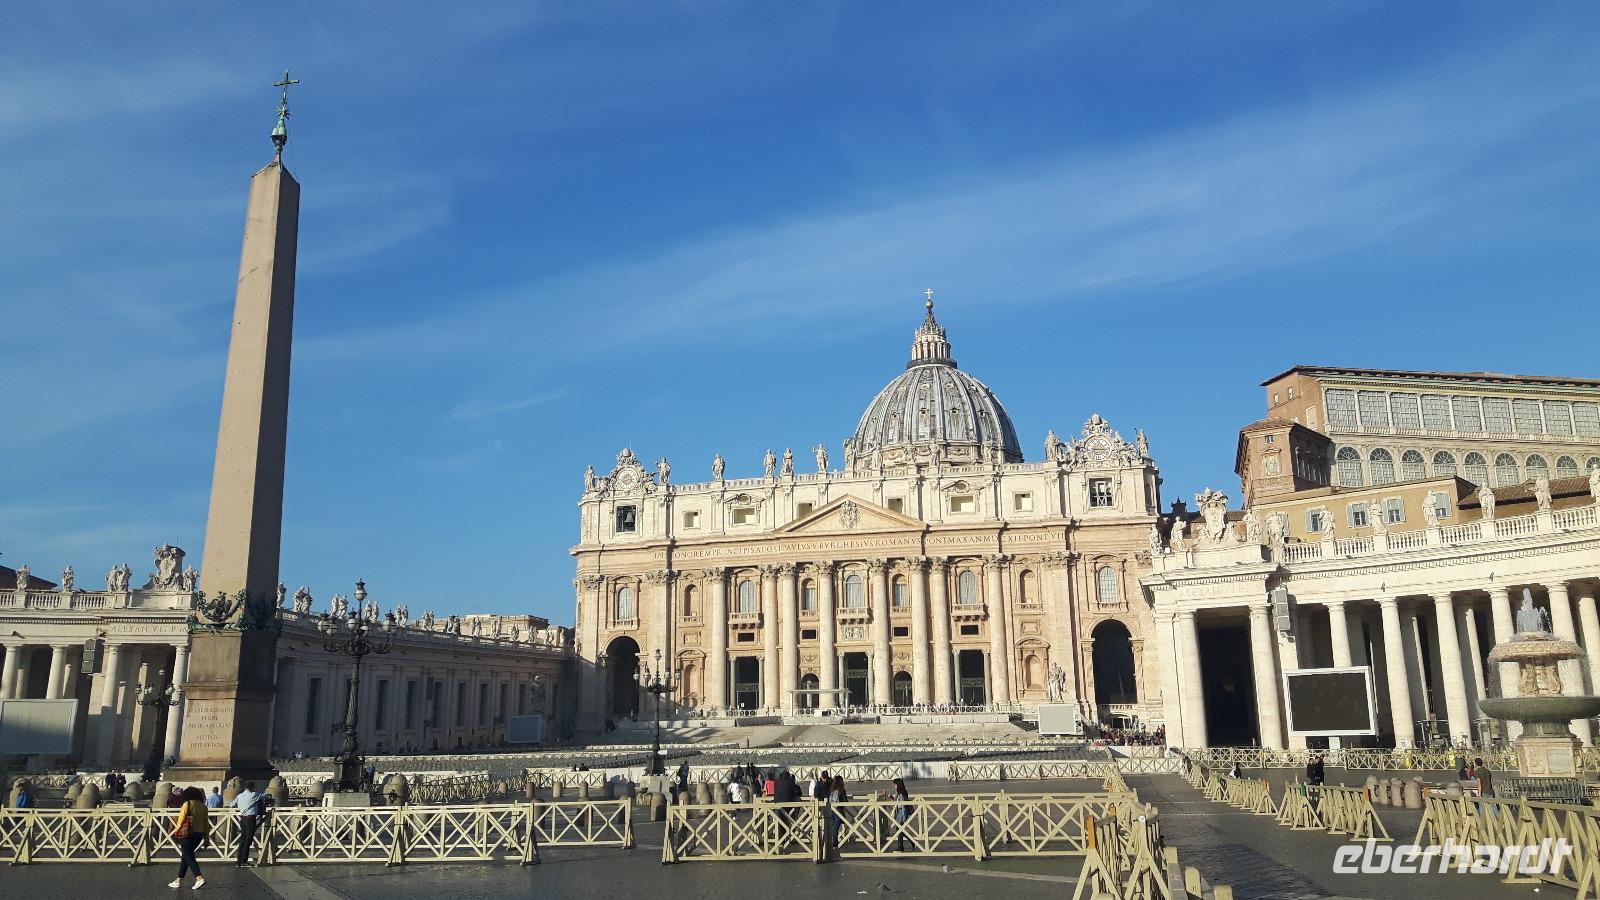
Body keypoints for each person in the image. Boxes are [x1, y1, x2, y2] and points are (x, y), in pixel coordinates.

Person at [169, 786, 210, 890]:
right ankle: (178, 880)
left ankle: (199, 878)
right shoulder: (203, 806)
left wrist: (176, 831)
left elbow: (181, 820)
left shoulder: (187, 804)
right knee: (186, 856)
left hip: (187, 833)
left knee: (189, 857)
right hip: (199, 834)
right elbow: (206, 824)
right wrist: (206, 838)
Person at [233, 781, 266, 867]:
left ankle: (239, 861)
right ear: (252, 788)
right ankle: (244, 861)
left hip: (242, 819)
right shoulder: (254, 795)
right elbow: (265, 796)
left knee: (242, 839)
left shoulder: (239, 796)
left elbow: (232, 804)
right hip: (250, 819)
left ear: (244, 787)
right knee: (248, 840)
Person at [890, 778, 911, 852]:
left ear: (898, 785)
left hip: (901, 812)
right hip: (900, 812)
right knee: (900, 829)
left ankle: (900, 847)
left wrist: (904, 817)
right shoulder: (900, 792)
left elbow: (903, 806)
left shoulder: (901, 793)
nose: (893, 786)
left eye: (894, 784)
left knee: (899, 829)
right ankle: (911, 841)